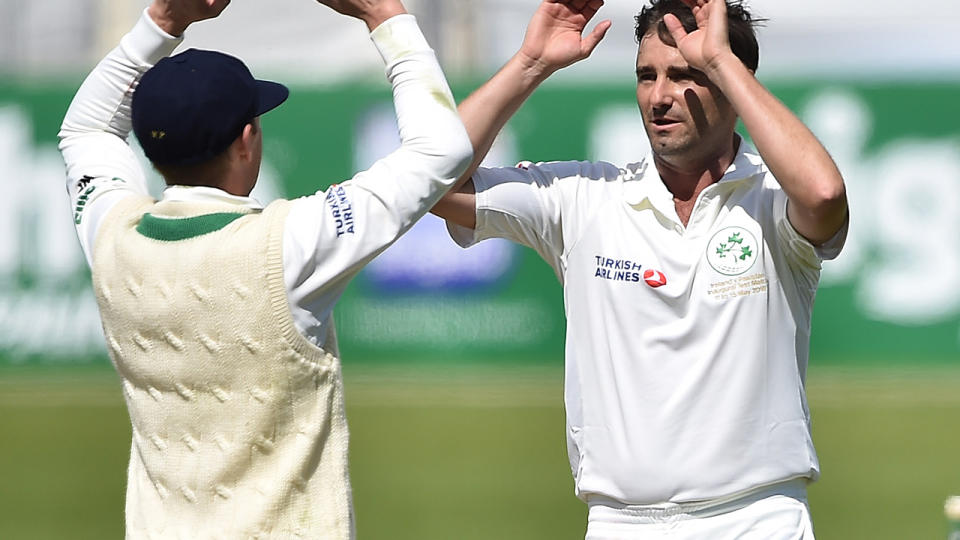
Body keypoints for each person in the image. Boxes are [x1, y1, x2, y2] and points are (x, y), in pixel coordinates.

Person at [431, 0, 848, 537]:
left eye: (684, 76)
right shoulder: (584, 198)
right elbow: (430, 184)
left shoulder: (772, 200)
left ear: (733, 82)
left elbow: (824, 192)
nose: (659, 97)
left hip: (758, 518)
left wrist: (721, 60)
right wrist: (531, 63)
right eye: (646, 76)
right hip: (620, 522)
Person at [58, 0, 471, 537]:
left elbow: (86, 131)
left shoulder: (112, 236)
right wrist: (384, 15)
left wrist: (159, 23)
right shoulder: (289, 244)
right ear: (247, 141)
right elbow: (442, 150)